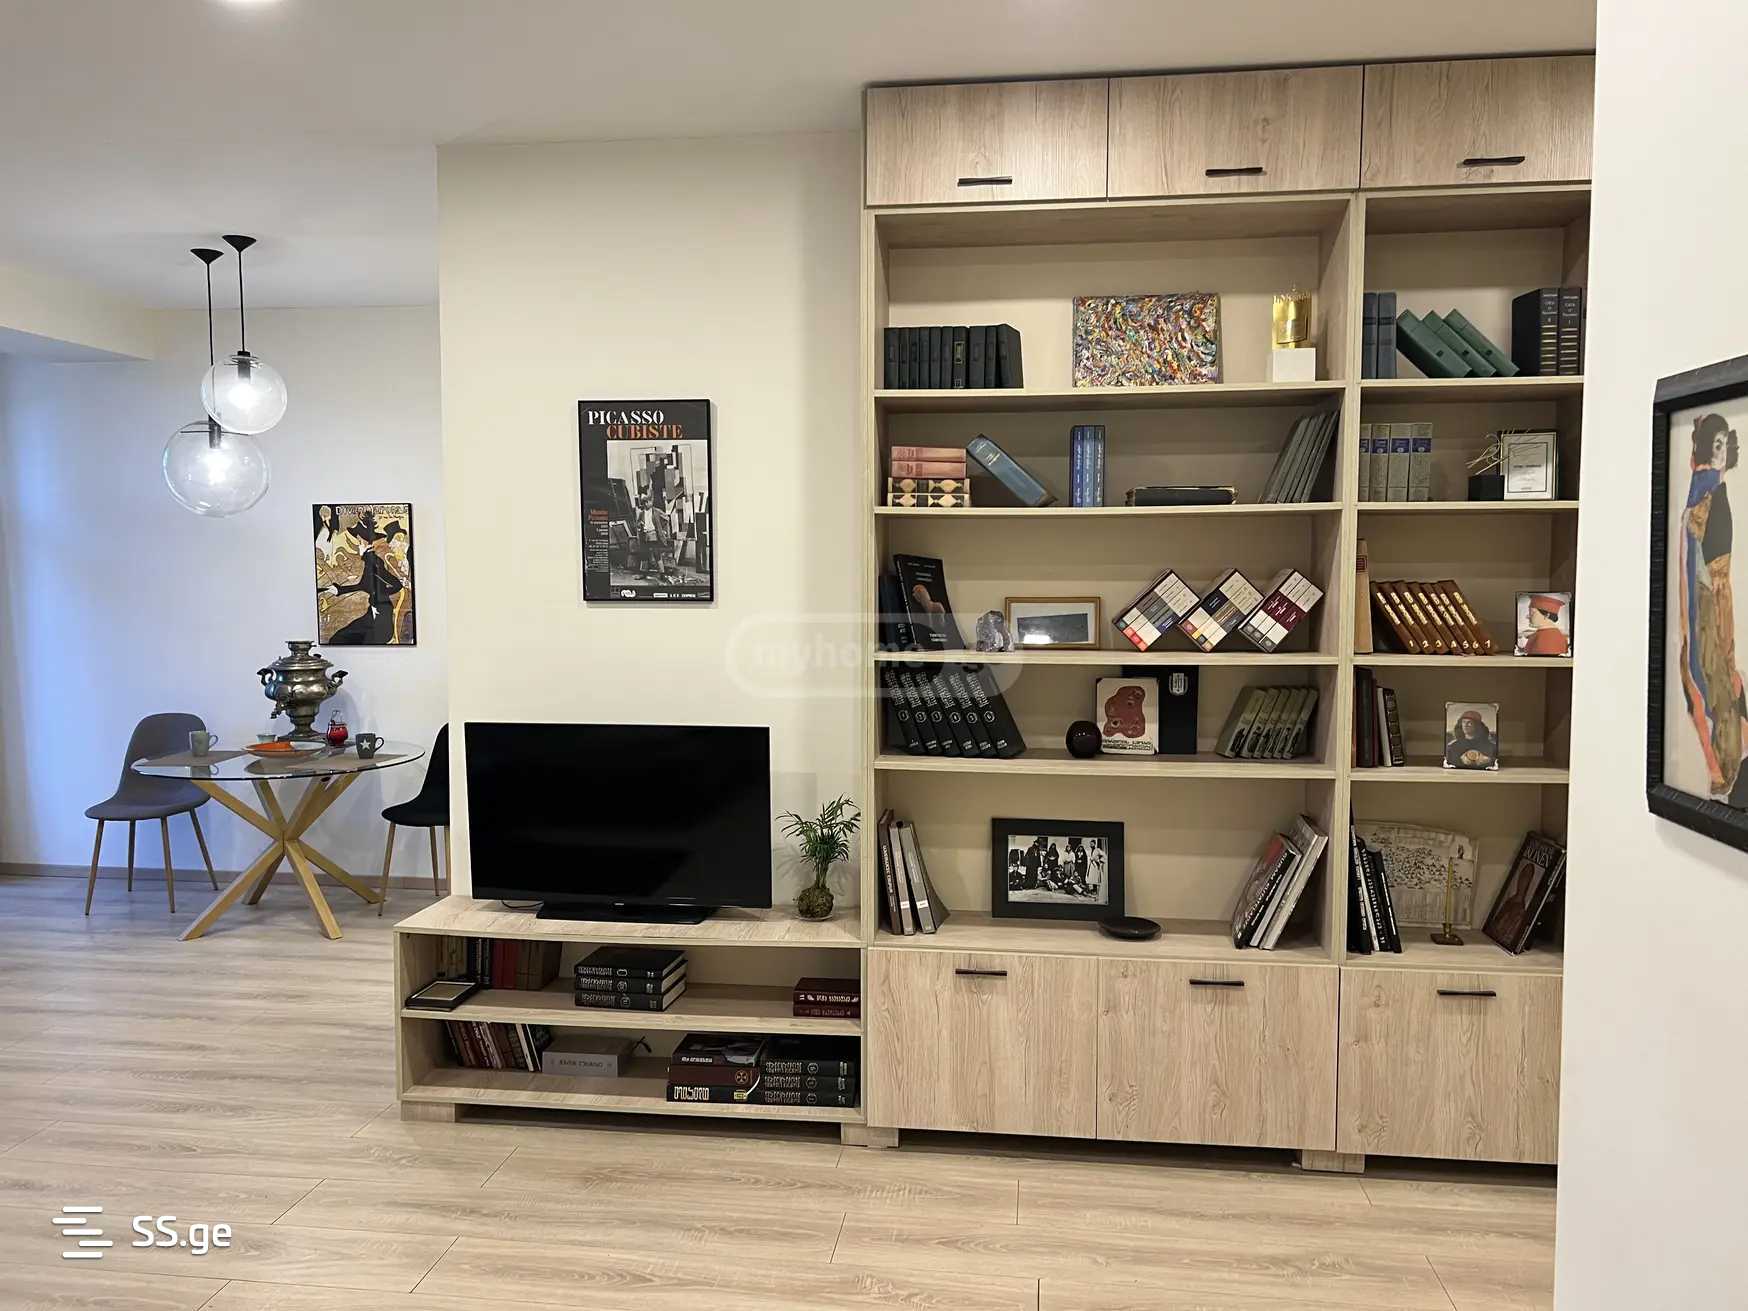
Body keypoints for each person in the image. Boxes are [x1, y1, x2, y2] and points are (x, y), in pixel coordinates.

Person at [1678, 412, 1747, 797]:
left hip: (1713, 597)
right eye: (1713, 445)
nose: (1718, 452)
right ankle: (1723, 765)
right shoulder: (1703, 488)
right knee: (1704, 675)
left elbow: (1708, 563)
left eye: (1723, 444)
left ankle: (1727, 765)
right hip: (1704, 596)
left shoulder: (1713, 493)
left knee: (1717, 674)